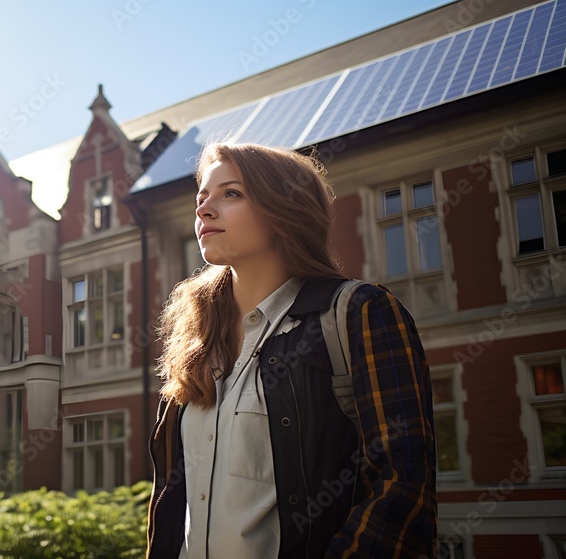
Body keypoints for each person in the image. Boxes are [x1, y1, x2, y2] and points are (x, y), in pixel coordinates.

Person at [146, 142, 438, 558]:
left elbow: (402, 489)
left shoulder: (360, 313)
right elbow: (170, 504)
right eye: (202, 197)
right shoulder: (195, 340)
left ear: (284, 209)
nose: (204, 210)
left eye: (231, 193)